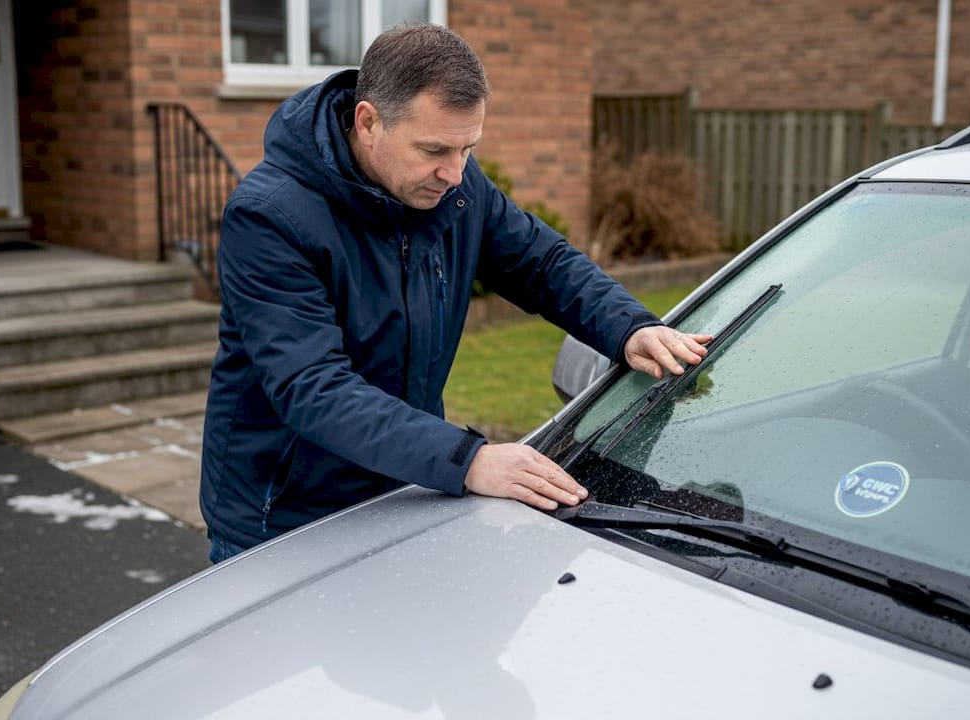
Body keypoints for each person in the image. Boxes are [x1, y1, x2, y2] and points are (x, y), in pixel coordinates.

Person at [200, 23, 710, 563]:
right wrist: (468, 460)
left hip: (403, 488)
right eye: (434, 149)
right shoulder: (270, 217)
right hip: (282, 517)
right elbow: (312, 385)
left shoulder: (456, 189)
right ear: (368, 122)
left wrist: (629, 326)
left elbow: (542, 263)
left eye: (469, 147)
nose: (454, 172)